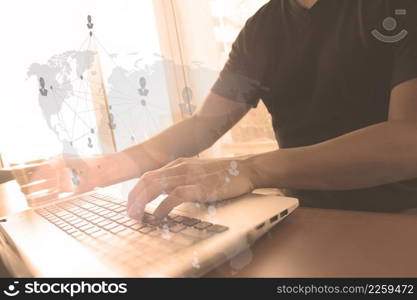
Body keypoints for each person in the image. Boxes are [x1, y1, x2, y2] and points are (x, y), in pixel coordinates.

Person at [15, 0, 417, 219]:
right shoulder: (262, 28)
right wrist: (101, 170)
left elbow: (408, 142)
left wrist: (251, 169)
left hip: (398, 217)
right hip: (303, 216)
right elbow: (203, 126)